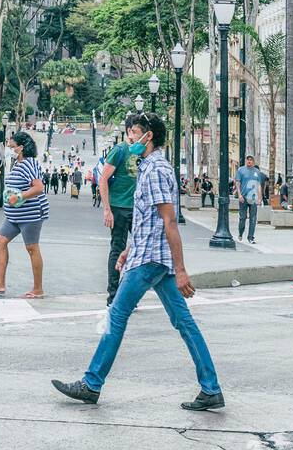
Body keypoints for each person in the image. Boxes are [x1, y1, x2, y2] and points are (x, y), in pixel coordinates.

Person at [51, 112, 224, 411]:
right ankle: (211, 388)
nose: (130, 138)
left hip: (151, 260)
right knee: (184, 322)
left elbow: (169, 221)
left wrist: (181, 269)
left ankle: (91, 383)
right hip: (149, 255)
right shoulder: (148, 167)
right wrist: (129, 248)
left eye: (134, 133)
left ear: (149, 136)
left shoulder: (155, 169)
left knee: (116, 316)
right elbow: (148, 221)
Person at [0, 131, 48, 299]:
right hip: (15, 215)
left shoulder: (29, 163)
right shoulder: (17, 163)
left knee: (32, 248)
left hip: (30, 214)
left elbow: (38, 187)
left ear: (21, 148)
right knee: (0, 240)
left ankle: (38, 289)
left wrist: (18, 197)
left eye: (12, 147)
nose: (9, 149)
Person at [99, 121, 140, 306]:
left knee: (141, 250)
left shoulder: (143, 151)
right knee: (118, 248)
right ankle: (114, 296)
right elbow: (103, 179)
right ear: (129, 132)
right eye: (137, 131)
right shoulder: (120, 150)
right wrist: (107, 209)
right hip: (119, 206)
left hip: (138, 208)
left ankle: (129, 293)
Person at [234, 154, 268, 244]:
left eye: (251, 160)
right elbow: (237, 183)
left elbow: (259, 186)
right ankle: (240, 233)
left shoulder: (257, 172)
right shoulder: (241, 170)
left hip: (253, 198)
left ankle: (251, 237)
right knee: (243, 217)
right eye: (248, 159)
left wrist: (260, 198)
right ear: (246, 161)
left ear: (253, 161)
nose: (249, 161)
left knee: (253, 218)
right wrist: (239, 194)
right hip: (244, 197)